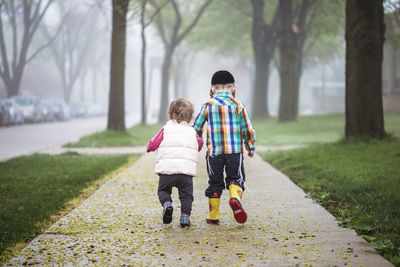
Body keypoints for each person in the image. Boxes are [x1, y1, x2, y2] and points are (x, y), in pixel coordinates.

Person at [193, 70, 256, 224]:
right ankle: (234, 197)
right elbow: (247, 129)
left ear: (212, 88)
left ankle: (213, 216)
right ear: (233, 88)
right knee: (236, 178)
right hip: (235, 152)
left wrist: (195, 145)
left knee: (214, 183)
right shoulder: (238, 105)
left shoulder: (207, 105)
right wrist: (250, 146)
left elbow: (197, 128)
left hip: (214, 153)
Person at [147, 98, 203, 227]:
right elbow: (199, 146)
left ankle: (167, 204)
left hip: (167, 171)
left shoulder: (165, 129)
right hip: (186, 172)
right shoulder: (192, 132)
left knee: (163, 191)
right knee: (186, 196)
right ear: (190, 118)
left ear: (170, 114)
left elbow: (153, 143)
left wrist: (149, 148)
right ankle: (184, 217)